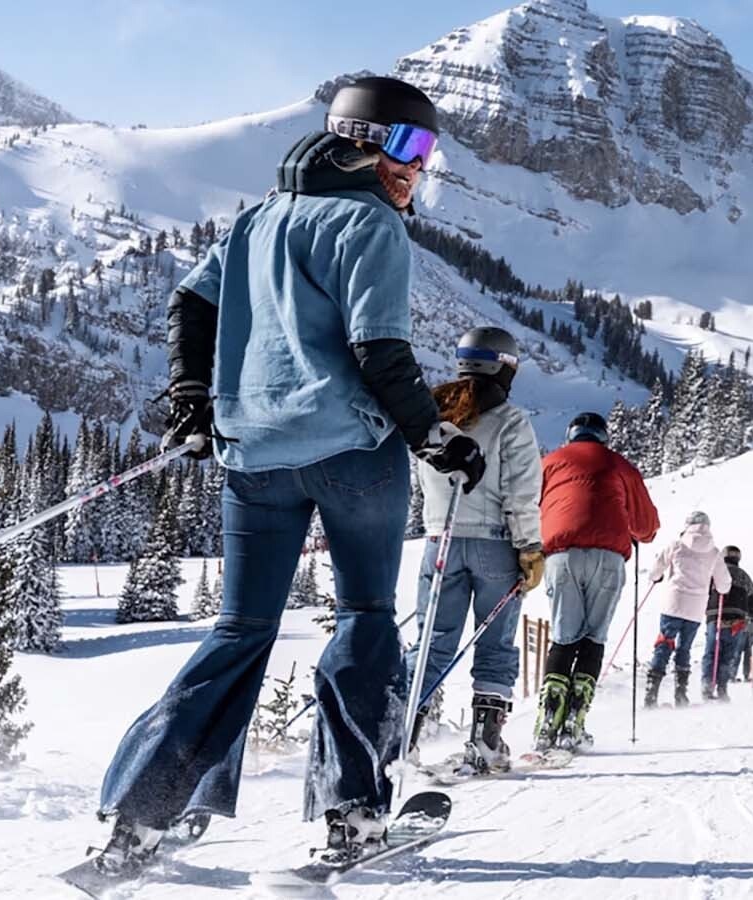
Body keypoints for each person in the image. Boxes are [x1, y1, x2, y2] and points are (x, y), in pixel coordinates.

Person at [92, 77, 485, 874]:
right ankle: (353, 813)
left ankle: (143, 811)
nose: (415, 169)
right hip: (349, 454)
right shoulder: (370, 224)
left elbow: (189, 303)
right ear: (361, 141)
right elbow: (380, 350)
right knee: (366, 616)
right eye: (407, 147)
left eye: (426, 154)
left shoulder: (257, 218)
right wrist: (432, 439)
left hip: (254, 460)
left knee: (239, 631)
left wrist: (194, 397)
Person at [405, 327, 543, 775]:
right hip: (495, 547)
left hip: (439, 542)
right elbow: (521, 492)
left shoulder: (434, 414)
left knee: (432, 643)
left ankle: (400, 738)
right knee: (495, 644)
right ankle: (485, 741)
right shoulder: (510, 420)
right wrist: (530, 548)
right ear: (505, 367)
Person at [535, 412, 659, 750]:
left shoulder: (550, 462)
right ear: (603, 437)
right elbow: (647, 527)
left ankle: (548, 718)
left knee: (563, 636)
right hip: (608, 556)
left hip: (562, 554)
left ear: (571, 435)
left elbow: (528, 507)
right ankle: (575, 720)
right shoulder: (620, 465)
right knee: (593, 637)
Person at [643, 511, 731, 708]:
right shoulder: (714, 552)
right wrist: (719, 588)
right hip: (696, 608)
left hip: (673, 603)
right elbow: (724, 583)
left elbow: (657, 569)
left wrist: (656, 577)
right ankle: (681, 693)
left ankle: (651, 692)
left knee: (664, 642)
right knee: (685, 648)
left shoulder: (677, 545)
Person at [701, 545, 753, 701]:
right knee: (728, 654)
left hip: (715, 616)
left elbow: (704, 590)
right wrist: (750, 615)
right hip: (737, 619)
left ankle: (707, 685)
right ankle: (722, 687)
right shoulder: (744, 576)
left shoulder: (715, 571)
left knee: (711, 651)